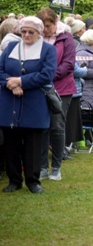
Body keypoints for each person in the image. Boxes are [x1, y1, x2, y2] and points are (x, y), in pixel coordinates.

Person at [0, 16, 57, 193]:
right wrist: (10, 84)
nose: (26, 35)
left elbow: (46, 74)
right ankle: (14, 180)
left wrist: (21, 81)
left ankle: (33, 181)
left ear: (38, 33)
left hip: (35, 102)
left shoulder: (48, 50)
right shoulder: (11, 47)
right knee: (11, 143)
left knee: (33, 143)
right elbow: (0, 70)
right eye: (23, 31)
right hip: (10, 100)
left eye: (30, 32)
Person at [37, 8, 76, 182]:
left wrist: (46, 75)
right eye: (43, 26)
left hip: (62, 89)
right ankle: (42, 166)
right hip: (39, 89)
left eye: (48, 25)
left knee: (57, 127)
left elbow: (68, 64)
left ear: (56, 22)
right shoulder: (36, 39)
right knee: (42, 128)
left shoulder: (66, 38)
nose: (46, 29)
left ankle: (57, 167)